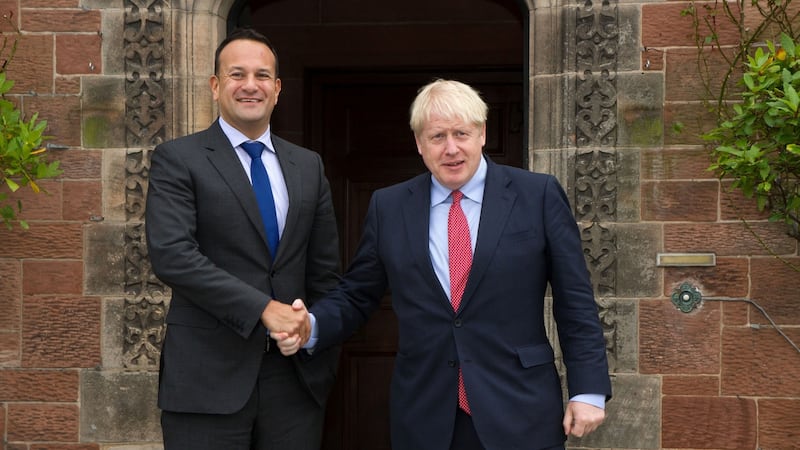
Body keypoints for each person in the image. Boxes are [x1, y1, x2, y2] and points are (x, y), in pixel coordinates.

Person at [275, 79, 612, 450]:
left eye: (461, 134)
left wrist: (589, 389)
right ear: (419, 144)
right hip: (426, 415)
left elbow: (574, 299)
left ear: (482, 133)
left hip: (520, 409)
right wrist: (312, 325)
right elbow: (358, 294)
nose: (451, 149)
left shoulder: (537, 195)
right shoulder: (389, 207)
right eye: (437, 137)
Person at [145, 28, 340, 450]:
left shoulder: (308, 166)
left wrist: (312, 328)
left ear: (277, 88)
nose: (250, 85)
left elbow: (325, 271)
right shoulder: (178, 159)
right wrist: (264, 310)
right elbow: (173, 256)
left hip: (294, 383)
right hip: (206, 382)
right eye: (237, 74)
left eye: (262, 75)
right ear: (215, 86)